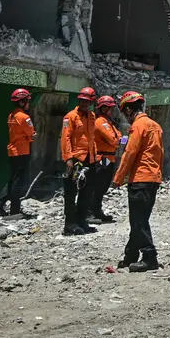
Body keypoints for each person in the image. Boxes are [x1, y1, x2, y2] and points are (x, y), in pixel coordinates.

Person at [111, 91, 164, 272]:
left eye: (124, 112)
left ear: (128, 109)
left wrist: (118, 178)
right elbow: (160, 154)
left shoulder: (138, 126)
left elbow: (130, 153)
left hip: (140, 179)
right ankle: (131, 255)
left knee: (139, 221)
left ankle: (150, 257)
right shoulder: (155, 126)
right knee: (138, 220)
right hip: (153, 179)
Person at [61, 87, 100, 236]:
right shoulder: (70, 117)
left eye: (87, 101)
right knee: (71, 193)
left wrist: (95, 157)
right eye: (82, 101)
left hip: (89, 160)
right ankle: (70, 224)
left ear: (91, 103)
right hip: (75, 159)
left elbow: (91, 139)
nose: (84, 104)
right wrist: (68, 158)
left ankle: (81, 221)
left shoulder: (91, 116)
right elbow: (65, 138)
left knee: (87, 192)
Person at [0, 88, 36, 217]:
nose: (29, 104)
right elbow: (32, 134)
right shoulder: (24, 117)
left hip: (13, 151)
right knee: (18, 182)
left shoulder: (11, 116)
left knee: (12, 180)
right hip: (22, 151)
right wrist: (32, 137)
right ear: (22, 102)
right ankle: (15, 210)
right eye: (27, 101)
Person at [89, 95, 122, 223]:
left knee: (103, 186)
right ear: (103, 108)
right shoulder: (101, 122)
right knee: (97, 185)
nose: (112, 111)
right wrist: (118, 139)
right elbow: (114, 139)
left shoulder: (108, 122)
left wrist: (118, 138)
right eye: (110, 108)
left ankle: (97, 210)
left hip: (109, 157)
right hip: (102, 158)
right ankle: (90, 212)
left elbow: (118, 137)